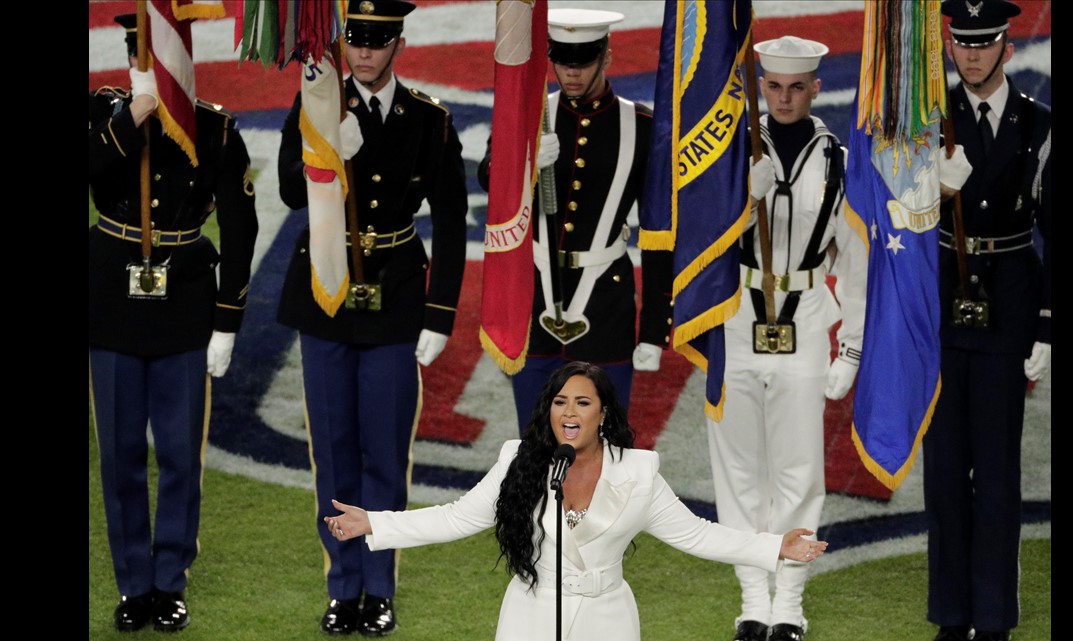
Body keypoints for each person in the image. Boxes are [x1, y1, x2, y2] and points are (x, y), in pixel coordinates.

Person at [323, 361, 828, 640]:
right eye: (560, 402)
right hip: (529, 614)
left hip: (607, 618)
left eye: (582, 402)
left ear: (602, 413)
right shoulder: (519, 461)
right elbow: (459, 517)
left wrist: (773, 547)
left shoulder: (638, 471)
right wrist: (376, 524)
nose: (569, 412)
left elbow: (696, 533)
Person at [276, 0, 468, 635]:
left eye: (376, 41)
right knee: (332, 450)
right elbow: (284, 189)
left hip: (394, 296)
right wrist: (323, 141)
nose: (362, 51)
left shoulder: (428, 120)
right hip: (327, 294)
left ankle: (379, 585)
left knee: (383, 450)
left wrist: (440, 314)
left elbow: (449, 218)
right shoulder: (319, 102)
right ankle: (343, 584)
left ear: (399, 45)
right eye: (354, 38)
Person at [89, 12, 259, 634]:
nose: (150, 67)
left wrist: (228, 319)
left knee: (182, 457)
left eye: (159, 56)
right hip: (110, 306)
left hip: (185, 305)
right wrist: (126, 122)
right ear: (130, 55)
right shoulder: (100, 114)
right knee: (121, 455)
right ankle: (134, 584)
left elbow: (242, 226)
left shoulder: (211, 126)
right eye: (141, 56)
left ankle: (169, 581)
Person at [705, 37, 866, 641]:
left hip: (805, 324)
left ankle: (789, 604)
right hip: (736, 319)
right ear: (760, 88)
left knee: (799, 472)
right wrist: (736, 204)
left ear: (817, 88)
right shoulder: (730, 153)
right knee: (739, 471)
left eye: (797, 86)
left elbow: (856, 261)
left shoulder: (841, 160)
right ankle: (752, 600)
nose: (785, 97)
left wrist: (850, 343)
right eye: (773, 86)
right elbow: (695, 241)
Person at [476, 8, 673, 436]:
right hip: (535, 297)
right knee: (534, 442)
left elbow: (659, 232)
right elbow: (488, 177)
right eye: (563, 61)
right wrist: (522, 164)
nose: (571, 73)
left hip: (605, 303)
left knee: (604, 446)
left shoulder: (640, 127)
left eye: (582, 62)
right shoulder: (528, 115)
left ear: (607, 57)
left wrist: (655, 328)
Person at [925, 2, 1051, 641]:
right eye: (961, 43)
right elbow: (896, 221)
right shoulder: (928, 120)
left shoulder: (1040, 123)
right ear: (949, 45)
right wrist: (933, 196)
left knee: (998, 472)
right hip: (940, 306)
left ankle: (995, 618)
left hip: (1010, 307)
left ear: (1004, 45)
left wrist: (1049, 326)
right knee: (945, 469)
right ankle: (952, 617)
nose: (971, 54)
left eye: (984, 43)